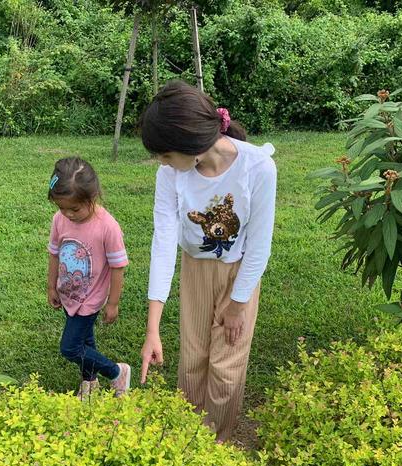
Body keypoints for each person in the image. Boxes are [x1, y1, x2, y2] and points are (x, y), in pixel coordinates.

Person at [139, 80, 277, 442]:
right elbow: (163, 243)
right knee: (193, 360)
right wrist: (153, 328)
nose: (163, 163)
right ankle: (190, 440)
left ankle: (218, 443)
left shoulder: (258, 167)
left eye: (166, 155)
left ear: (190, 144)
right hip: (196, 269)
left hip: (240, 276)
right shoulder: (170, 175)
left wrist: (238, 305)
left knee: (226, 367)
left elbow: (259, 246)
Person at [46, 157, 131, 398]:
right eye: (61, 207)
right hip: (68, 293)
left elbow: (117, 267)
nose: (68, 214)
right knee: (85, 341)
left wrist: (113, 303)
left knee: (70, 348)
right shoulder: (59, 219)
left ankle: (116, 372)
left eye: (74, 209)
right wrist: (51, 286)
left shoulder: (107, 227)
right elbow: (54, 254)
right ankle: (90, 381)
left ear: (92, 197)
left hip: (90, 299)